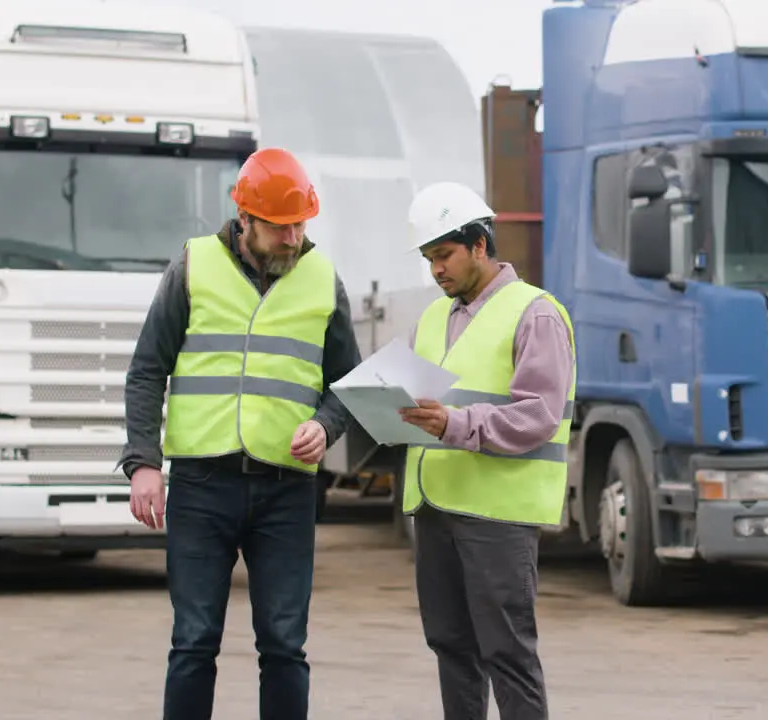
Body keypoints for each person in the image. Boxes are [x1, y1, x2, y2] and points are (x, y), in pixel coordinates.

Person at [118, 147, 363, 720]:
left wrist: (326, 426)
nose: (294, 238)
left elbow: (351, 382)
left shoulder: (324, 278)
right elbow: (147, 369)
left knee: (283, 645)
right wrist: (144, 462)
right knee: (194, 641)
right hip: (203, 486)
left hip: (287, 491)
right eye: (281, 227)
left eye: (301, 224)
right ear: (245, 219)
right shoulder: (193, 266)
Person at [396, 181, 577, 720]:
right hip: (436, 509)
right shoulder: (433, 317)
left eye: (445, 255)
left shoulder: (536, 314)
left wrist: (454, 423)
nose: (437, 270)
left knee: (507, 654)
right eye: (429, 259)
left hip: (498, 514)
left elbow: (539, 416)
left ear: (480, 245)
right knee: (451, 648)